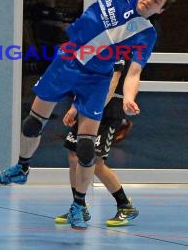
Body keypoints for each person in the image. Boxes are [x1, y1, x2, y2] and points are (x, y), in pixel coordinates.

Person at [0, 0, 177, 230]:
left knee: (85, 146)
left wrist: (129, 97)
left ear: (161, 9)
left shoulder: (146, 35)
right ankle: (22, 168)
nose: (148, 0)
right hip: (69, 59)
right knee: (33, 120)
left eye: (156, 1)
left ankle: (79, 206)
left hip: (98, 76)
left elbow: (133, 71)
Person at [54, 60, 138, 227]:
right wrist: (74, 108)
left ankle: (125, 206)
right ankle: (79, 207)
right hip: (88, 108)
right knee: (73, 156)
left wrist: (95, 107)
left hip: (106, 112)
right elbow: (84, 81)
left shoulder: (116, 47)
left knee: (96, 162)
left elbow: (113, 81)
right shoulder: (92, 46)